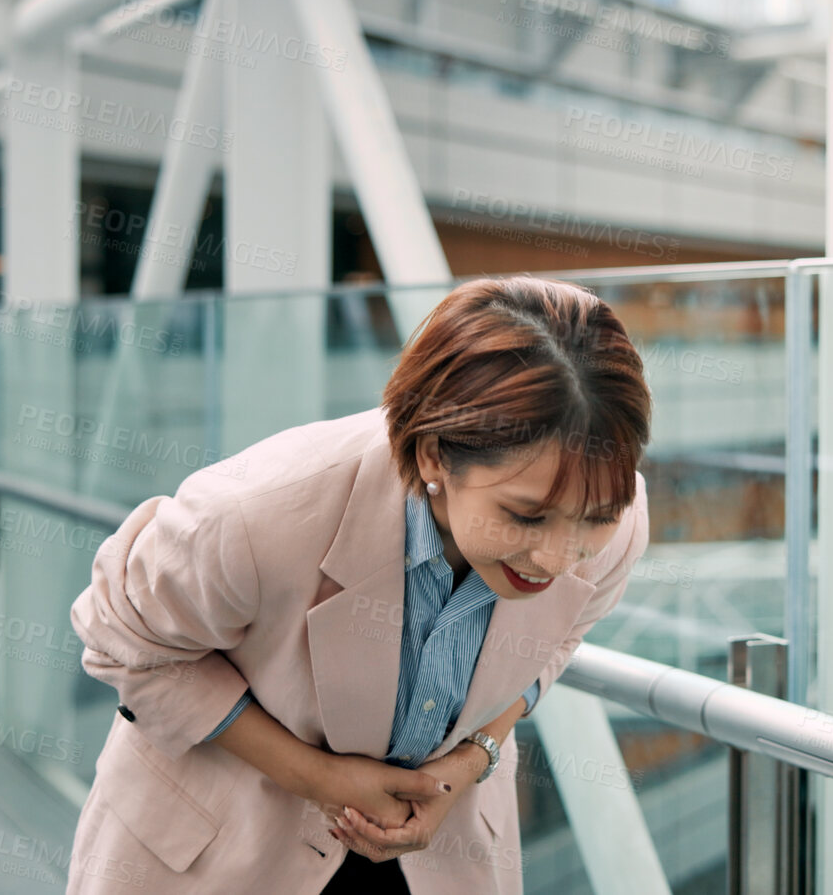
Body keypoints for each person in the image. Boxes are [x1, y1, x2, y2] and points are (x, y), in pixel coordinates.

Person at [65, 276, 653, 894]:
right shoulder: (257, 513)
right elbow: (121, 642)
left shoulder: (621, 519)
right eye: (525, 516)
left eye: (594, 518)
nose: (560, 558)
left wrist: (470, 759)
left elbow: (554, 644)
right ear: (433, 457)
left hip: (436, 855)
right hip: (223, 848)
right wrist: (316, 778)